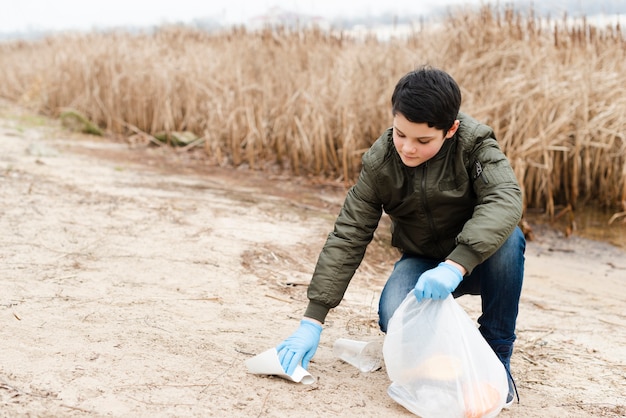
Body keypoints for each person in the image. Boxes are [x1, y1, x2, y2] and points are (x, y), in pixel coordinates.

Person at [276, 66, 525, 406]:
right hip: (421, 260)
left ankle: (497, 355)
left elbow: (505, 199)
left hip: (477, 260)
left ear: (450, 129)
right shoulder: (381, 162)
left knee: (510, 241)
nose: (408, 148)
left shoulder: (474, 144)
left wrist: (456, 265)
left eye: (423, 141)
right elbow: (349, 232)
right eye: (400, 133)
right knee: (391, 315)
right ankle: (443, 363)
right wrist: (312, 320)